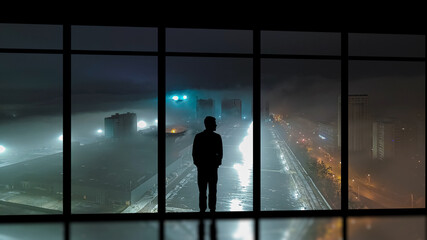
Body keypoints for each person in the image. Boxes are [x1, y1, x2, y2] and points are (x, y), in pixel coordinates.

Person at [192, 116, 223, 213]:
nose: (216, 125)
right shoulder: (217, 137)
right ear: (210, 124)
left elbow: (194, 153)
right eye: (214, 123)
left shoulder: (198, 136)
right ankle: (212, 209)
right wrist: (216, 163)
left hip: (202, 169)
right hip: (213, 169)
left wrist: (198, 164)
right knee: (213, 191)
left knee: (202, 192)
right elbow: (220, 153)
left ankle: (202, 210)